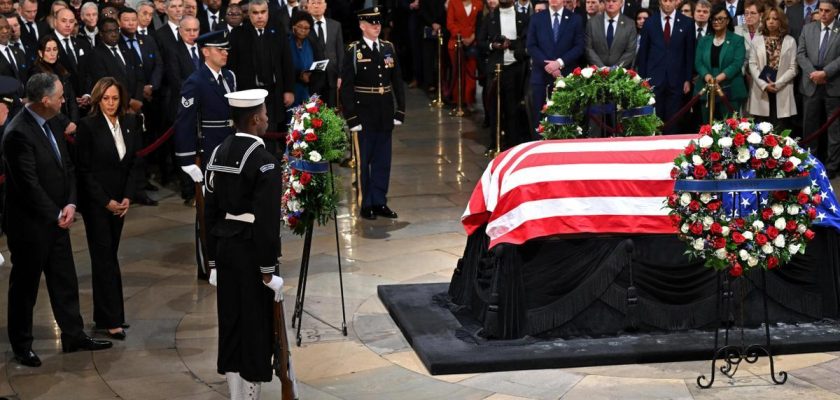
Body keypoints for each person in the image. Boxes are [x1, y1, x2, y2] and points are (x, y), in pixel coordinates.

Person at [3, 73, 113, 368]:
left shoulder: (53, 120)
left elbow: (66, 166)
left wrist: (70, 203)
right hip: (29, 226)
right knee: (25, 288)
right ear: (44, 101)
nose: (65, 100)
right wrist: (55, 212)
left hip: (58, 218)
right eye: (60, 96)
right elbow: (28, 185)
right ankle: (21, 345)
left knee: (65, 280)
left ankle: (73, 335)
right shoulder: (17, 133)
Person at [203, 88, 284, 400]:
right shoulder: (265, 161)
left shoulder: (218, 152)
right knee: (255, 328)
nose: (266, 119)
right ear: (253, 119)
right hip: (251, 253)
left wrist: (211, 262)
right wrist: (268, 272)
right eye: (263, 114)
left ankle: (237, 396)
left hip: (225, 250)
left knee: (232, 324)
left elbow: (209, 214)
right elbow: (265, 224)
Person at [75, 77, 143, 340]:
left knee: (110, 256)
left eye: (115, 98)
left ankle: (110, 316)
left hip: (120, 203)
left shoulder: (129, 122)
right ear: (97, 99)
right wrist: (106, 201)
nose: (111, 103)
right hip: (97, 204)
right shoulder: (87, 126)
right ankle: (111, 320)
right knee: (103, 259)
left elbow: (132, 162)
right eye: (106, 99)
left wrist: (127, 197)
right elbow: (84, 171)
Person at [173, 29, 237, 278]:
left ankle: (226, 256)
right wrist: (187, 160)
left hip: (228, 147)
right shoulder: (195, 81)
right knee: (208, 208)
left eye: (226, 49)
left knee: (228, 203)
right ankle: (208, 263)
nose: (225, 53)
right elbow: (184, 121)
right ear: (205, 51)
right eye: (219, 49)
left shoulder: (229, 76)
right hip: (208, 149)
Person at [340, 7, 406, 220]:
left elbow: (397, 80)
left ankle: (379, 201)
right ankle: (365, 202)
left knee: (382, 161)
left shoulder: (387, 47)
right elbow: (347, 86)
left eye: (378, 23)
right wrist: (351, 117)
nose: (377, 26)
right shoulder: (353, 50)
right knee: (364, 161)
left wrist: (400, 110)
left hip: (384, 112)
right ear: (362, 25)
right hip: (364, 114)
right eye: (371, 23)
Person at [228, 0, 295, 152]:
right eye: (255, 13)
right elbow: (231, 68)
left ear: (268, 13)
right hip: (248, 96)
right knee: (250, 135)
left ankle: (270, 168)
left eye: (263, 12)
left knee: (271, 134)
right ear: (249, 14)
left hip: (273, 93)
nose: (259, 17)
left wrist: (289, 90)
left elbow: (287, 62)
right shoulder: (238, 34)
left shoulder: (278, 31)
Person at [636, 0, 695, 133]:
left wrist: (687, 78)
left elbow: (689, 53)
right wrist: (643, 80)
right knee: (654, 119)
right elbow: (643, 54)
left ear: (677, 2)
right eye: (665, 0)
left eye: (671, 0)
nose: (667, 4)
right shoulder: (650, 22)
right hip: (654, 79)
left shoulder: (687, 23)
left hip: (677, 79)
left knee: (674, 120)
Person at [477, 0, 530, 148]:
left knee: (513, 108)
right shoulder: (490, 18)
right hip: (495, 69)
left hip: (515, 68)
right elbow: (480, 42)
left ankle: (513, 144)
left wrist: (510, 44)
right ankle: (495, 143)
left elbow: (526, 42)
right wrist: (492, 45)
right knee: (494, 108)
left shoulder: (523, 18)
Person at [527, 0, 584, 133]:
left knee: (566, 118)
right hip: (541, 76)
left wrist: (559, 63)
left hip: (565, 75)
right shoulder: (537, 18)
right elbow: (531, 45)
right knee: (540, 118)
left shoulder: (575, 19)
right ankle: (539, 151)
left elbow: (579, 46)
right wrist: (547, 64)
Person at [797, 0, 840, 177]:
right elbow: (800, 54)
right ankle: (810, 163)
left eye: (827, 11)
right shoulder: (808, 29)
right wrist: (814, 73)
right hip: (811, 84)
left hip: (834, 84)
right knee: (810, 127)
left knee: (834, 130)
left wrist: (825, 73)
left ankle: (832, 167)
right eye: (820, 10)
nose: (823, 14)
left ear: (836, 12)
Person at [747, 5, 798, 129]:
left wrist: (778, 84)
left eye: (775, 19)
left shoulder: (790, 41)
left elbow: (793, 68)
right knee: (761, 131)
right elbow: (752, 65)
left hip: (782, 89)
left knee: (781, 131)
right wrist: (764, 85)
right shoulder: (757, 40)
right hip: (761, 89)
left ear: (781, 21)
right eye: (768, 19)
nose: (771, 21)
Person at [695, 4, 747, 121]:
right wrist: (709, 78)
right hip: (707, 86)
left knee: (729, 129)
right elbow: (698, 63)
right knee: (707, 128)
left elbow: (737, 63)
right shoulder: (704, 40)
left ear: (728, 20)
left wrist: (717, 79)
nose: (716, 22)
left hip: (730, 88)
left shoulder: (737, 40)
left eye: (720, 19)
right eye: (714, 19)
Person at [29, 34, 79, 128]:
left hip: (70, 122)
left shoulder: (62, 69)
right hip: (51, 123)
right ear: (40, 53)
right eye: (48, 50)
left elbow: (71, 97)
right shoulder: (36, 73)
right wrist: (66, 123)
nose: (52, 53)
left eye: (55, 49)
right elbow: (47, 103)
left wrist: (74, 122)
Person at [306, 0, 344, 106]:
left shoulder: (335, 25)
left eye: (319, 2)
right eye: (313, 3)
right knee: (313, 113)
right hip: (312, 79)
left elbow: (340, 52)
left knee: (332, 112)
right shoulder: (304, 27)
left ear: (325, 5)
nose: (316, 6)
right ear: (308, 6)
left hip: (332, 77)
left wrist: (340, 75)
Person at [447, 0, 483, 111]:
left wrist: (472, 37)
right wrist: (461, 37)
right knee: (458, 73)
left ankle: (469, 101)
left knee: (471, 73)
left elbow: (481, 23)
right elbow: (450, 23)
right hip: (456, 43)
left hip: (473, 43)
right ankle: (458, 101)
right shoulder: (453, 2)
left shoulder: (479, 3)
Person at [586, 0, 638, 68]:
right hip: (596, 71)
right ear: (604, 2)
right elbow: (588, 48)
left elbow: (630, 51)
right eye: (608, 1)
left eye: (614, 1)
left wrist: (615, 69)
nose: (610, 4)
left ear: (621, 3)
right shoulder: (592, 22)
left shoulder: (630, 24)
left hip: (620, 73)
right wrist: (602, 68)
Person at [288, 12, 323, 106]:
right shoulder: (286, 43)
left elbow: (318, 65)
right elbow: (283, 67)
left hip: (308, 89)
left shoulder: (312, 43)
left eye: (306, 28)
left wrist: (310, 75)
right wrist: (299, 75)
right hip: (290, 90)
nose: (302, 30)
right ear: (293, 26)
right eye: (299, 26)